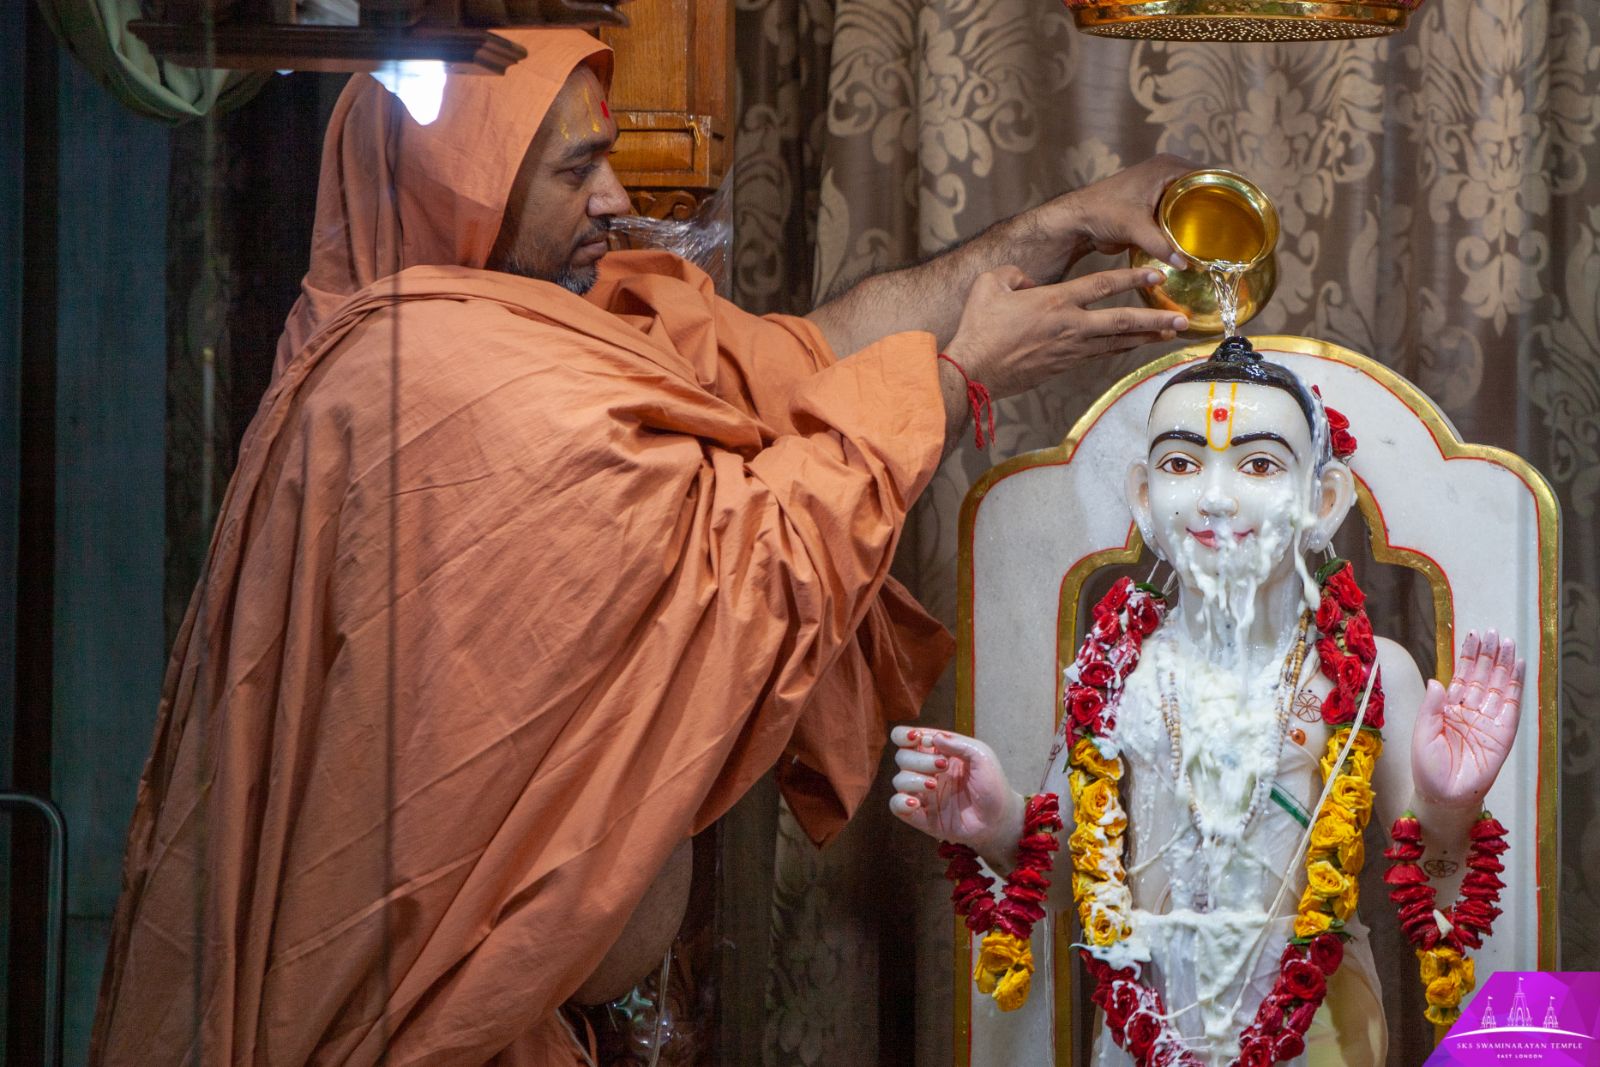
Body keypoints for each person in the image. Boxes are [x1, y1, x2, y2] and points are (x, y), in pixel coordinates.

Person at [91, 27, 1197, 1067]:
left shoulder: (565, 322)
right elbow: (750, 562)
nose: (616, 201)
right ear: (464, 187)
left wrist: (1061, 223)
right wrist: (956, 386)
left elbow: (810, 355)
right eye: (577, 172)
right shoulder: (430, 377)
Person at [890, 341, 1524, 1065]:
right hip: (1144, 1032)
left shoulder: (1374, 671)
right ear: (1143, 497)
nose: (1214, 496)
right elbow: (1071, 882)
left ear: (1323, 500)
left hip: (1317, 1031)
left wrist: (1447, 806)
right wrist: (999, 821)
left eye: (1258, 464)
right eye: (1181, 463)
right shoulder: (1113, 671)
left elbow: (1440, 894)